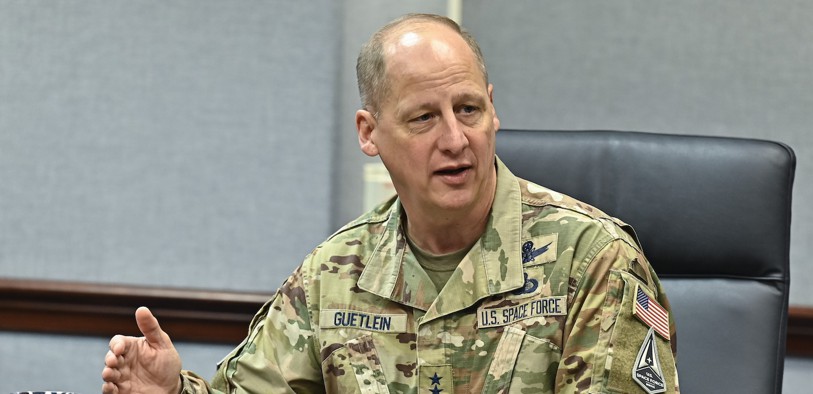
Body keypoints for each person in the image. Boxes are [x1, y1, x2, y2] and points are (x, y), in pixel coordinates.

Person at [102, 13, 679, 394]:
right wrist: (174, 392)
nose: (455, 139)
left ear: (494, 110)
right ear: (370, 133)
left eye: (469, 109)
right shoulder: (336, 271)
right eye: (424, 118)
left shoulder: (592, 261)